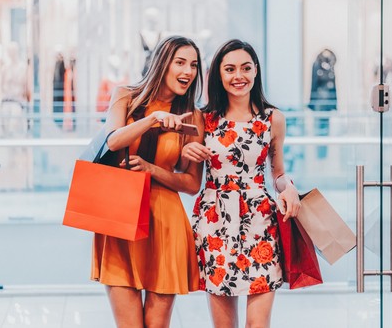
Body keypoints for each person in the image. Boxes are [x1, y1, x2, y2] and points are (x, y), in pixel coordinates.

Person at [181, 39, 301, 328]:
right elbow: (188, 174)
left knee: (258, 324)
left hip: (260, 221)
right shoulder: (203, 119)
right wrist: (186, 152)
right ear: (218, 75)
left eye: (246, 68)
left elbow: (278, 173)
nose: (239, 76)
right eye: (230, 69)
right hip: (215, 222)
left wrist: (290, 187)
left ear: (256, 71)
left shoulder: (273, 119)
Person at [91, 35, 204, 328]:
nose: (188, 71)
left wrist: (152, 169)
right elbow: (113, 140)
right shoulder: (125, 96)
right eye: (180, 62)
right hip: (120, 219)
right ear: (161, 64)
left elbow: (192, 184)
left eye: (193, 65)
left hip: (166, 223)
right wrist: (153, 119)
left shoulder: (193, 117)